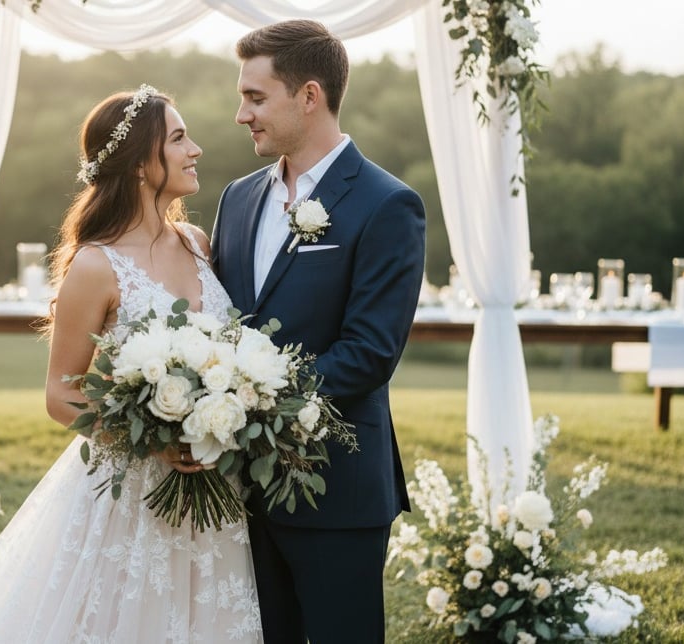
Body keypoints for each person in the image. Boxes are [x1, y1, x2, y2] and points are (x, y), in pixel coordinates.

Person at [0, 86, 262, 643]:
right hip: (132, 491)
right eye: (178, 139)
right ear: (137, 166)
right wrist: (154, 440)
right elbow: (60, 393)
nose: (195, 149)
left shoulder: (199, 243)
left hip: (217, 486)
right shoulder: (95, 266)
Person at [210, 20, 426, 644]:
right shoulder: (239, 198)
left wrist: (244, 398)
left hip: (335, 487)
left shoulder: (388, 205)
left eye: (255, 97)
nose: (240, 114)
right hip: (239, 489)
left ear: (309, 95)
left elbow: (368, 354)